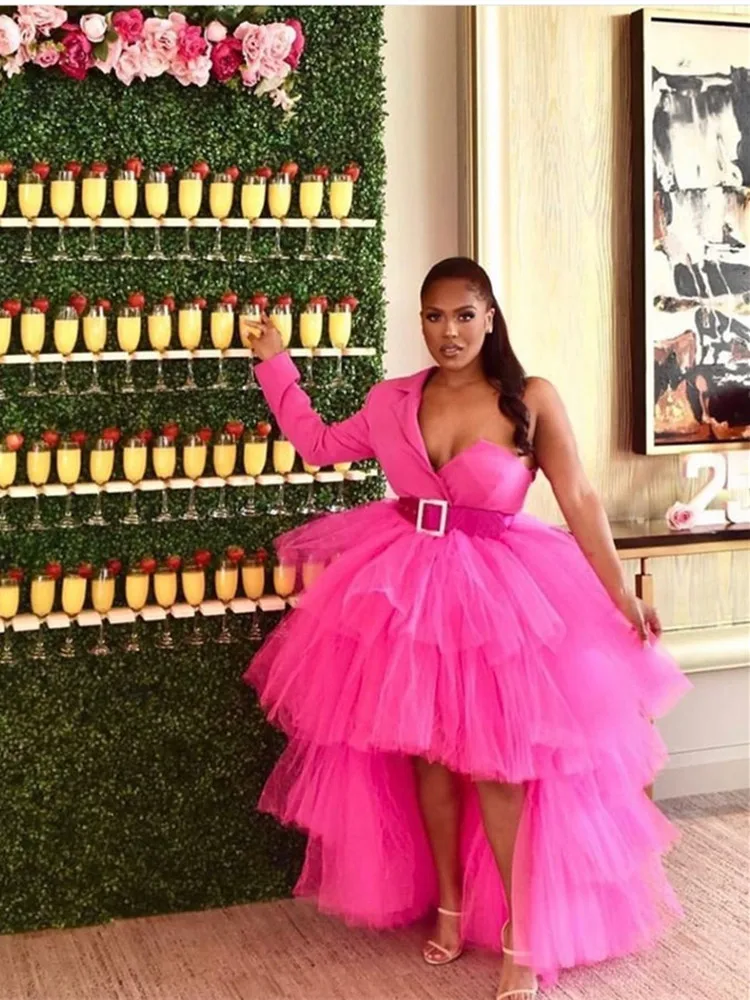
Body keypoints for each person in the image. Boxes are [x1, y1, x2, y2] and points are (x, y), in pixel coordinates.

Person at [242, 256, 692, 999]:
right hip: (410, 592)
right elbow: (318, 445)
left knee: (500, 768)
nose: (448, 331)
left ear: (489, 318)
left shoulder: (530, 398)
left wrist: (622, 595)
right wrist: (274, 364)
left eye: (463, 315)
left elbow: (579, 497)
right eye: (434, 316)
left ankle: (523, 933)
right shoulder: (393, 399)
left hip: (502, 601)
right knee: (429, 757)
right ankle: (448, 906)